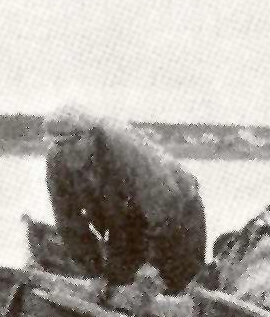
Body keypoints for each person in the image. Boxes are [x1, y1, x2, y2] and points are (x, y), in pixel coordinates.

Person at [43, 107, 207, 299]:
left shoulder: (124, 148)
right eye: (60, 144)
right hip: (126, 221)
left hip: (178, 212)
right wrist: (93, 273)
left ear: (91, 135)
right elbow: (69, 223)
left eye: (73, 142)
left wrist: (153, 264)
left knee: (176, 285)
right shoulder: (56, 161)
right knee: (116, 283)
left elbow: (165, 208)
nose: (67, 151)